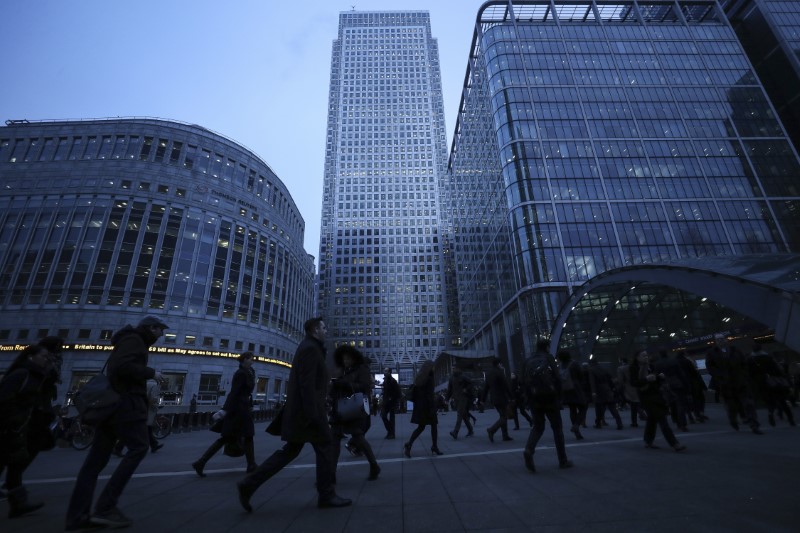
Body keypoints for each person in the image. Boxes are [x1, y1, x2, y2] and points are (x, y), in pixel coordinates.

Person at [236, 318, 350, 512]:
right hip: (308, 413)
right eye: (323, 327)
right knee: (325, 447)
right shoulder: (310, 349)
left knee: (291, 451)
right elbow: (306, 385)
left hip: (304, 411)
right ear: (315, 330)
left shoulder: (310, 348)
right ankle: (326, 494)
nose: (326, 331)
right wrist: (314, 414)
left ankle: (249, 484)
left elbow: (312, 383)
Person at [65, 315, 167, 530]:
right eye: (160, 330)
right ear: (150, 328)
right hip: (124, 406)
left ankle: (78, 515)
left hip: (113, 407)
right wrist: (151, 373)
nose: (161, 335)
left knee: (94, 462)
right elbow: (121, 367)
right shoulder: (135, 340)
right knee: (139, 448)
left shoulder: (131, 339)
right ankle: (105, 506)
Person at [0, 344, 54, 518]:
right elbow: (4, 399)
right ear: (31, 356)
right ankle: (18, 503)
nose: (46, 359)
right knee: (10, 462)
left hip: (20, 428)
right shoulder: (21, 374)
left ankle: (19, 504)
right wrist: (15, 421)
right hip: (10, 428)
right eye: (44, 356)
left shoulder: (36, 376)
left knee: (15, 463)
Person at [192, 351, 257, 476]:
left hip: (243, 409)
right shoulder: (240, 374)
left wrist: (250, 405)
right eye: (250, 359)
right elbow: (234, 392)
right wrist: (225, 410)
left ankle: (201, 462)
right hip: (237, 411)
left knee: (238, 437)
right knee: (242, 436)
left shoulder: (249, 372)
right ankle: (251, 464)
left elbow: (247, 393)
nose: (252, 361)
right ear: (244, 360)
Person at [329, 345, 380, 481]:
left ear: (353, 358)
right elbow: (336, 387)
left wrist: (345, 384)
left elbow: (364, 387)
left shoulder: (361, 369)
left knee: (358, 437)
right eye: (343, 359)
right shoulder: (343, 370)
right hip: (339, 409)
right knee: (334, 441)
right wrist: (334, 386)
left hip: (352, 409)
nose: (345, 361)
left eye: (348, 359)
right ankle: (330, 474)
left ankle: (374, 465)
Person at [522, 339, 573, 472]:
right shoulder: (548, 358)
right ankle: (563, 460)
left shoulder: (528, 361)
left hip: (534, 399)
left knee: (538, 427)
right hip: (550, 399)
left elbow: (524, 382)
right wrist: (560, 398)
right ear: (547, 347)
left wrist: (528, 399)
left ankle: (529, 449)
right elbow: (557, 378)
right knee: (557, 429)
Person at [630, 349, 685, 452]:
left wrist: (659, 377)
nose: (646, 357)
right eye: (643, 356)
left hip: (656, 395)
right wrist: (646, 379)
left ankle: (648, 441)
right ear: (637, 358)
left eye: (646, 355)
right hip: (646, 397)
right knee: (662, 419)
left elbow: (655, 379)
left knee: (652, 419)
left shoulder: (651, 366)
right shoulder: (633, 368)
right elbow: (634, 383)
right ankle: (674, 443)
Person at [706, 338, 762, 434]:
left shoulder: (735, 350)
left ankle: (754, 425)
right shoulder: (712, 353)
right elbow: (710, 367)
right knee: (732, 406)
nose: (721, 341)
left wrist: (743, 375)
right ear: (716, 342)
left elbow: (743, 363)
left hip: (740, 381)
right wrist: (719, 377)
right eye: (719, 340)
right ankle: (733, 420)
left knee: (748, 404)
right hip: (726, 384)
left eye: (723, 339)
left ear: (726, 341)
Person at [748, 343, 795, 427]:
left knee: (770, 401)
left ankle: (770, 413)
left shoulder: (750, 359)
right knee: (782, 401)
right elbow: (777, 369)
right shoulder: (767, 357)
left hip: (762, 384)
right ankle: (791, 420)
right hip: (773, 381)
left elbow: (749, 373)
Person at [403, 360, 442, 457]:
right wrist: (433, 407)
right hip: (428, 406)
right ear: (429, 368)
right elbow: (429, 395)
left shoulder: (419, 378)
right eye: (433, 366)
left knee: (421, 427)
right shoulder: (430, 378)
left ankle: (409, 444)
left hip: (420, 407)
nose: (434, 368)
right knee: (434, 426)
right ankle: (434, 446)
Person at [482, 357, 513, 442]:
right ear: (498, 364)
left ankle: (505, 435)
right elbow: (506, 385)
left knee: (502, 416)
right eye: (501, 364)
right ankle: (491, 430)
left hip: (494, 399)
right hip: (501, 398)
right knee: (504, 416)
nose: (502, 365)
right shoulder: (499, 372)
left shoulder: (489, 374)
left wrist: (483, 400)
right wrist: (511, 397)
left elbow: (486, 388)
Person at [558, 350, 587, 440]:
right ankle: (576, 425)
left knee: (572, 409)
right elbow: (581, 376)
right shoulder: (574, 364)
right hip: (576, 389)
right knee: (583, 407)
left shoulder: (560, 366)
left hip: (566, 390)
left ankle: (577, 433)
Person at [587, 359, 623, 430]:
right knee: (612, 408)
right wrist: (612, 388)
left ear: (590, 363)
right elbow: (610, 380)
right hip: (607, 389)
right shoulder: (604, 369)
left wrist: (593, 392)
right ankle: (619, 423)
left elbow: (592, 382)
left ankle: (598, 423)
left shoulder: (591, 370)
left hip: (599, 391)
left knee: (599, 408)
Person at [446, 367, 474, 439]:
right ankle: (470, 430)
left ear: (459, 369)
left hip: (463, 398)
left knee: (459, 414)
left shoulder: (463, 377)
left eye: (455, 368)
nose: (453, 370)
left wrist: (466, 389)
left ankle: (455, 432)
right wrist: (446, 399)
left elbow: (471, 383)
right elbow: (449, 390)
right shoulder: (451, 378)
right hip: (456, 399)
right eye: (452, 368)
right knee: (464, 416)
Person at [617, 357, 641, 428]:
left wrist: (619, 388)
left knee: (633, 405)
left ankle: (634, 422)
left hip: (628, 388)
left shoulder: (621, 368)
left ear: (621, 361)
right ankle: (638, 419)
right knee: (636, 405)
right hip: (637, 387)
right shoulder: (635, 367)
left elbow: (620, 381)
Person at [380, 368, 400, 439]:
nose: (384, 372)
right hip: (386, 402)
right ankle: (390, 431)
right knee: (383, 416)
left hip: (391, 402)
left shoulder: (393, 381)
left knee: (391, 418)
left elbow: (397, 392)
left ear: (389, 372)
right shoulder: (385, 380)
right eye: (384, 371)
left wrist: (391, 398)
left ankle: (391, 434)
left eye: (386, 371)